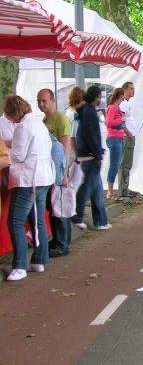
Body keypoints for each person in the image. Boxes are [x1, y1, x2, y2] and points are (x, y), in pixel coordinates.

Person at [4, 95, 55, 281]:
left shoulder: (22, 127)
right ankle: (39, 260)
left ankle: (20, 265)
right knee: (37, 219)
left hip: (29, 179)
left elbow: (17, 155)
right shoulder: (38, 124)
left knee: (15, 221)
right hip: (44, 177)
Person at [36, 89, 72, 258]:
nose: (41, 104)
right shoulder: (44, 120)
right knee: (52, 207)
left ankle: (63, 244)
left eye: (44, 101)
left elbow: (66, 147)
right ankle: (57, 240)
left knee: (60, 207)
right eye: (39, 101)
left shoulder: (61, 119)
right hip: (50, 170)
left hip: (58, 169)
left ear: (52, 100)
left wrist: (64, 174)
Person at [73, 86, 111, 231]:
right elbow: (92, 135)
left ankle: (101, 220)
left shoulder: (84, 111)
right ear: (96, 97)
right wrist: (97, 153)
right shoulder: (89, 112)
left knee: (96, 189)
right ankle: (76, 215)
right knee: (88, 186)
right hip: (90, 155)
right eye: (100, 96)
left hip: (87, 154)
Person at [105, 88, 126, 200]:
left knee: (116, 165)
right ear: (121, 96)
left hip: (119, 137)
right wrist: (121, 119)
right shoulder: (112, 107)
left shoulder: (116, 107)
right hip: (114, 138)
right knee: (114, 165)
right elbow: (108, 122)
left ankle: (111, 190)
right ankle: (109, 192)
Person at [118, 81, 137, 198]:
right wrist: (128, 133)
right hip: (127, 137)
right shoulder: (123, 104)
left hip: (129, 136)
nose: (133, 90)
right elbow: (120, 120)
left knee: (128, 163)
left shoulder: (127, 103)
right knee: (125, 163)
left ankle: (125, 188)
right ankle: (123, 190)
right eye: (131, 89)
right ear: (125, 90)